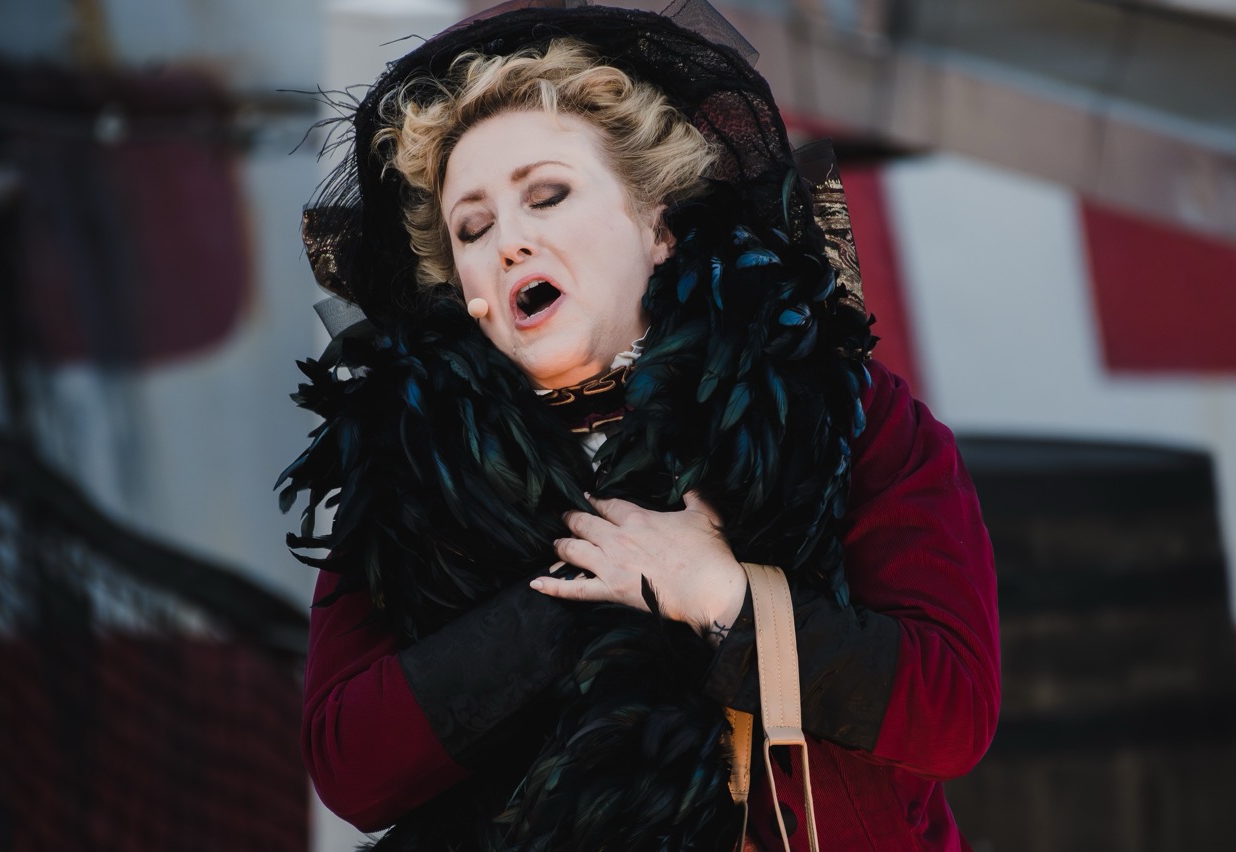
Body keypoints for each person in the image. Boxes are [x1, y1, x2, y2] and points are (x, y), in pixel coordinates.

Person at [279, 2, 999, 850]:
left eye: (546, 195)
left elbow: (952, 713)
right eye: (473, 227)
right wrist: (579, 593)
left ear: (656, 225)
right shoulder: (405, 464)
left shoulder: (848, 409)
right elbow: (350, 768)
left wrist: (721, 598)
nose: (509, 242)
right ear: (463, 289)